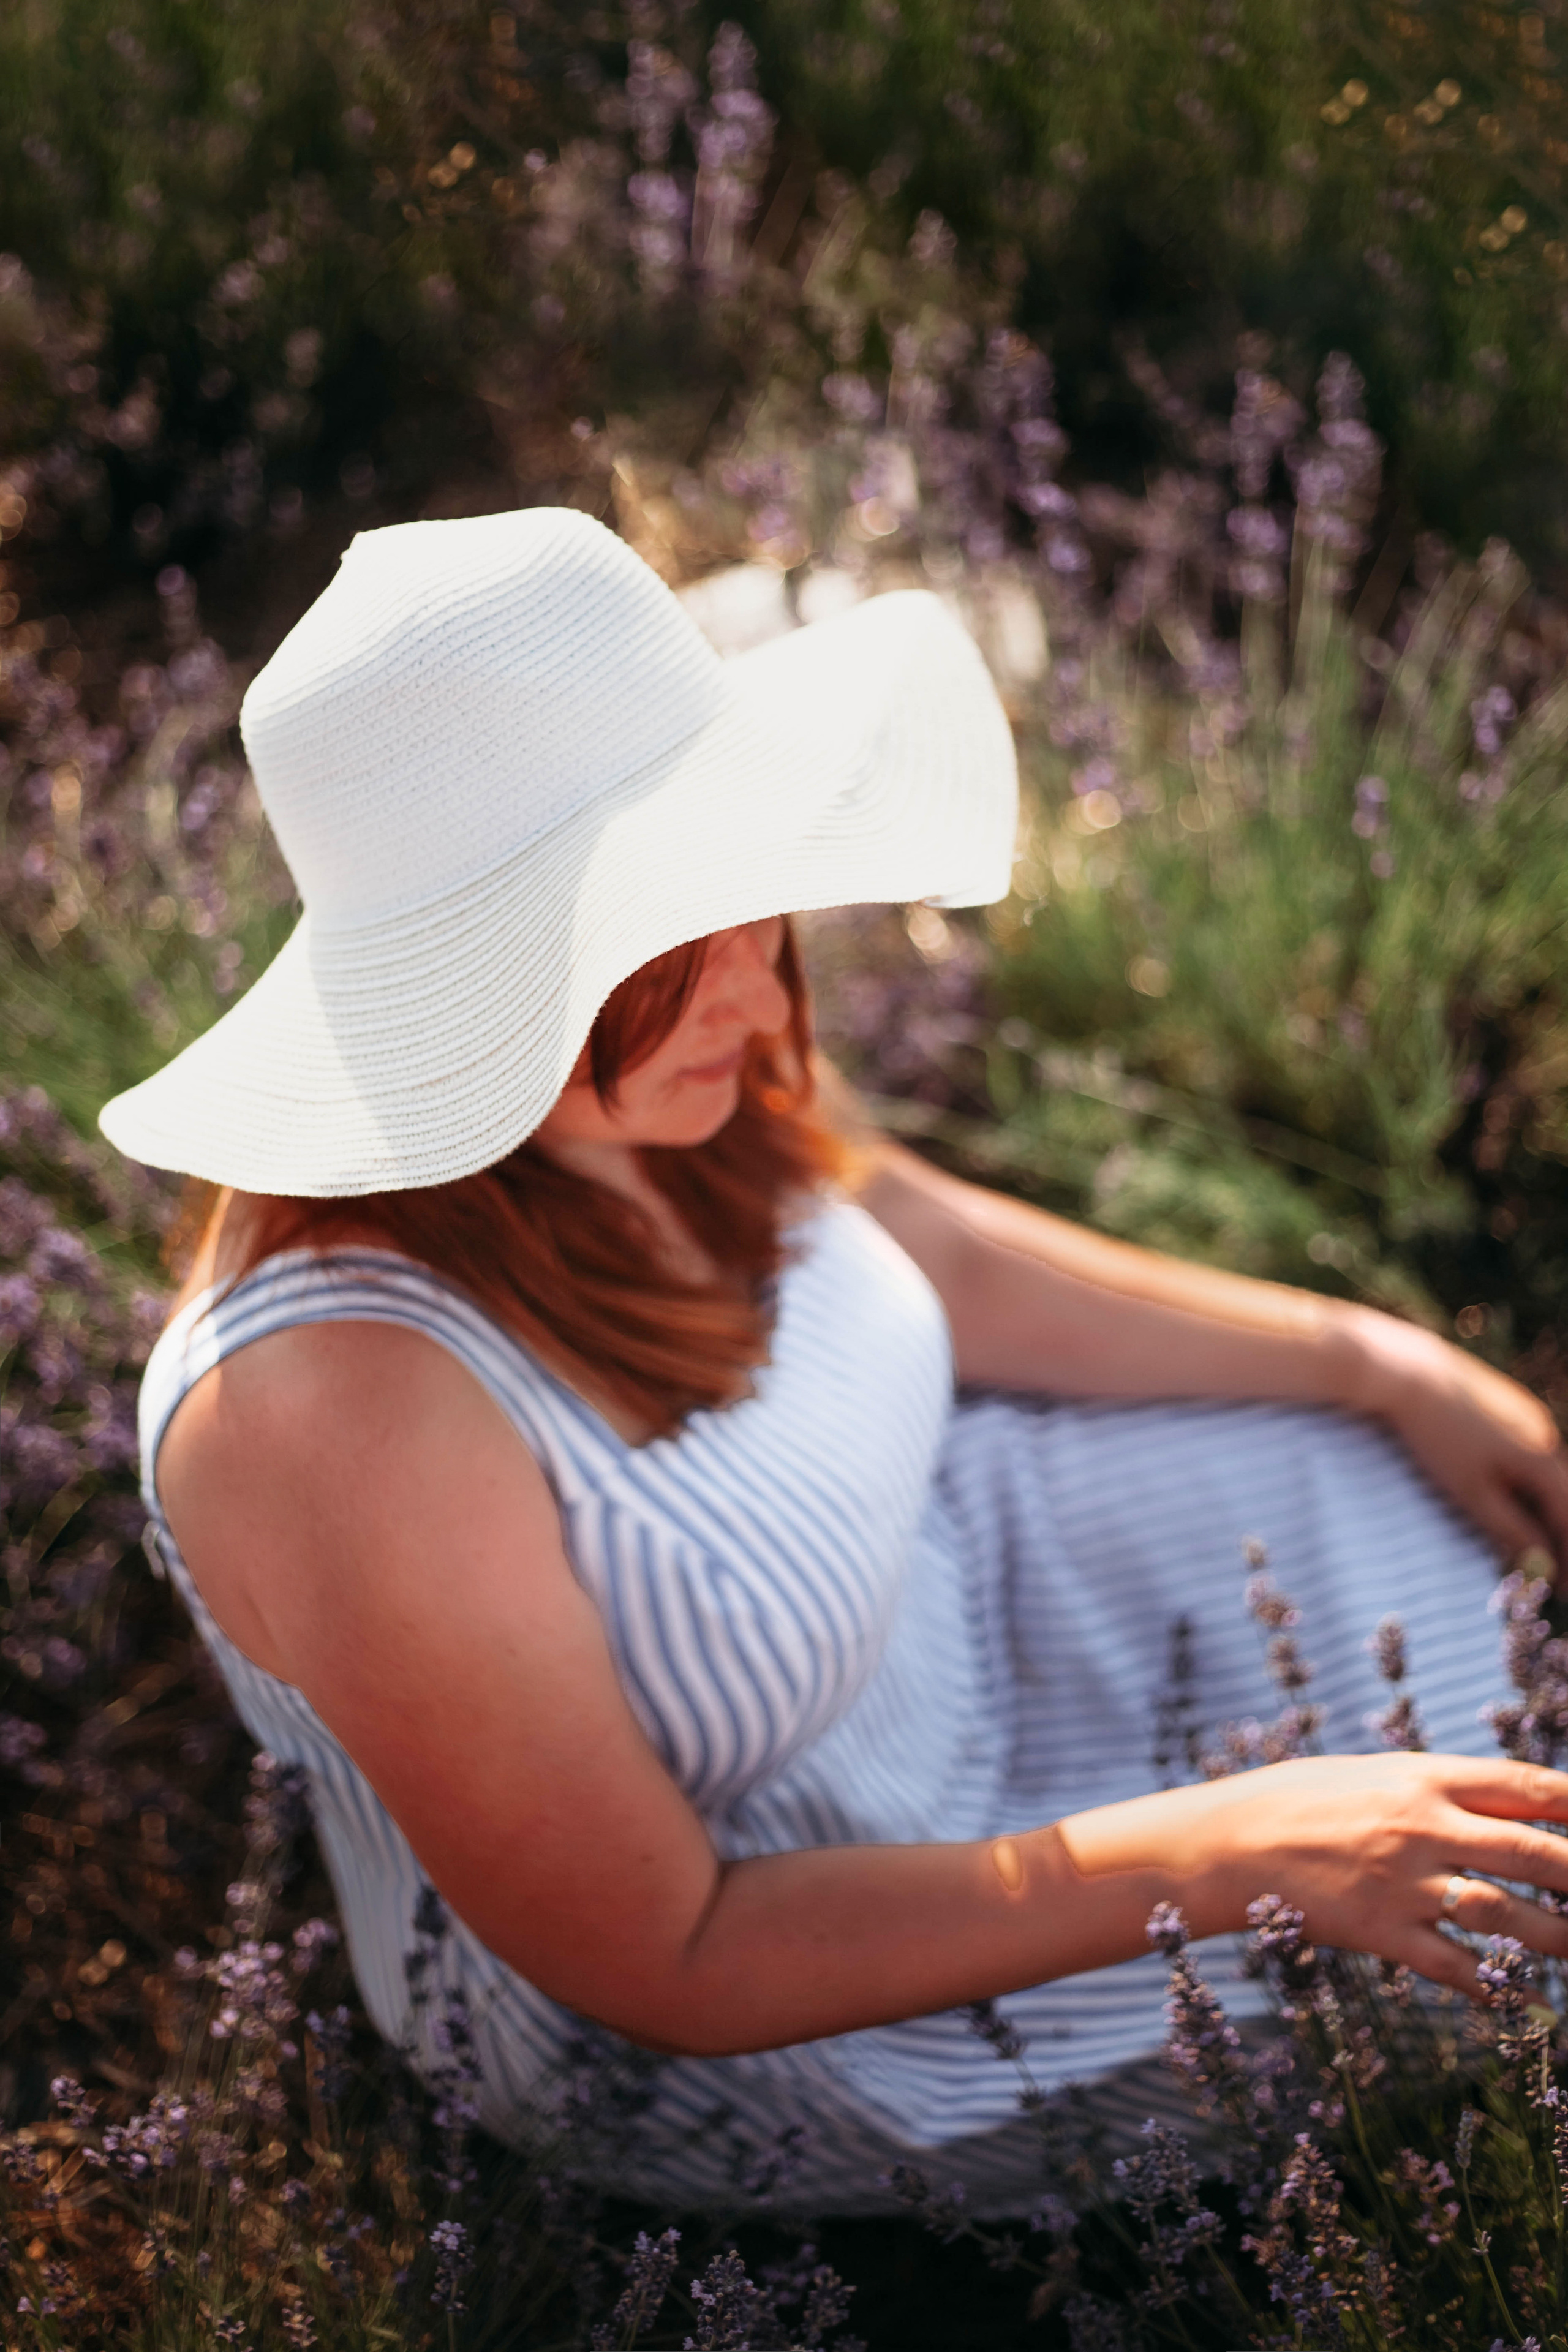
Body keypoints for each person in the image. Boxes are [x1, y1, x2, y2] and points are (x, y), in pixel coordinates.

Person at [104, 506, 1568, 2214]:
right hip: (819, 1976)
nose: (753, 987)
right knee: (1519, 1905)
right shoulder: (333, 1417)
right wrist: (1243, 1849)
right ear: (468, 986)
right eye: (658, 935)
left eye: (734, 891)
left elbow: (928, 1244)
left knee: (1453, 1529)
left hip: (968, 1580)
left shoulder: (655, 1076)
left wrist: (1371, 1360)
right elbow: (675, 1953)